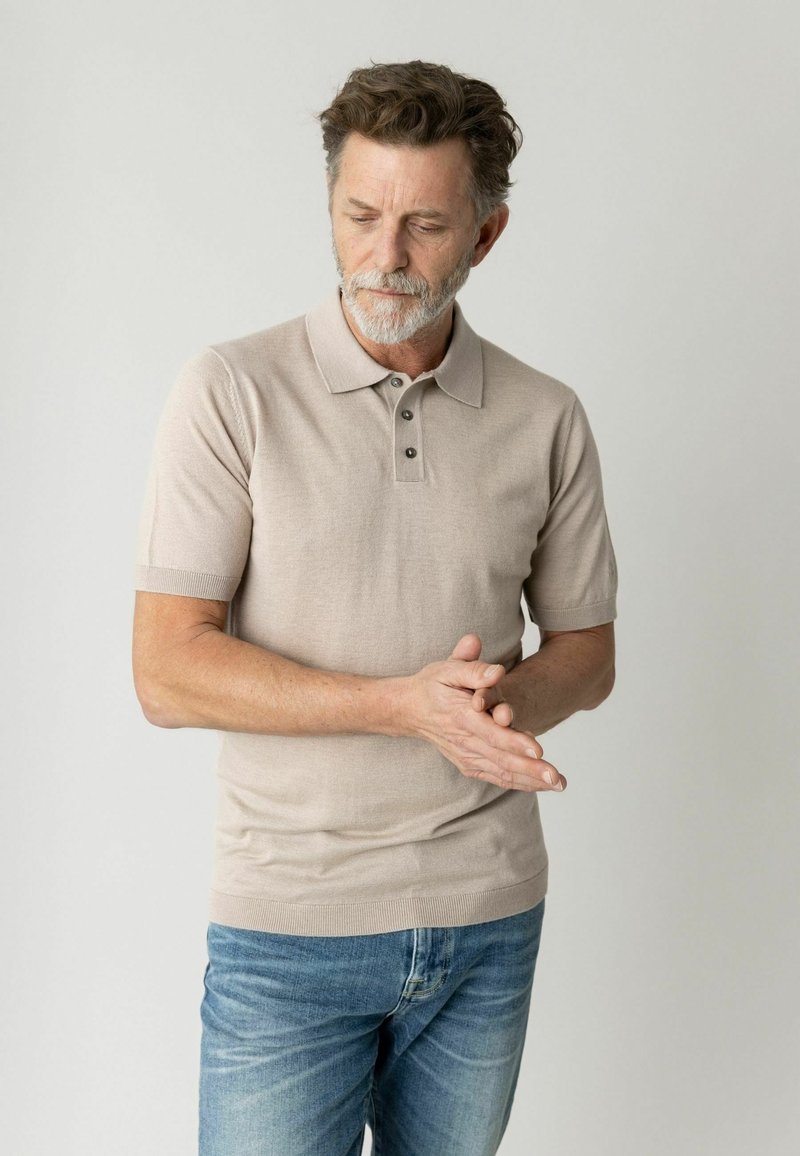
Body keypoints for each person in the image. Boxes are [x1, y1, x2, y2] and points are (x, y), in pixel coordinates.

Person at [132, 59, 617, 1156]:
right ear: (329, 205)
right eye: (360, 215)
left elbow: (587, 650)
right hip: (288, 929)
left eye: (425, 225)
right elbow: (166, 671)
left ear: (486, 234)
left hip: (488, 922)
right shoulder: (231, 391)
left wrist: (490, 711)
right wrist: (403, 706)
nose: (385, 255)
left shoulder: (545, 416)